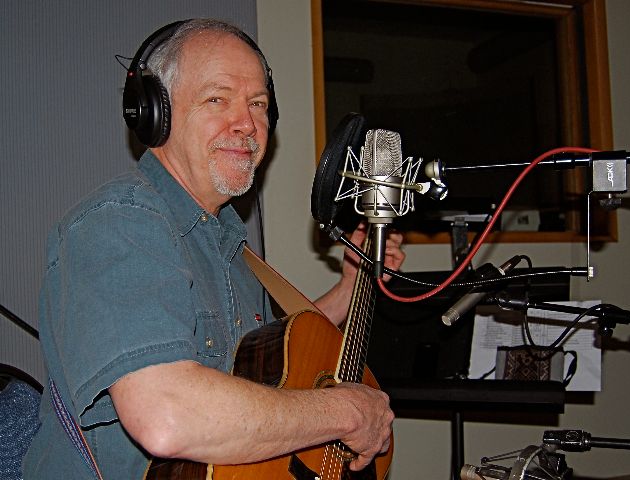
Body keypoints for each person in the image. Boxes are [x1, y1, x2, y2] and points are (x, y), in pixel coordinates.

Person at [23, 18, 405, 479]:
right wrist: (346, 412)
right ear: (156, 113)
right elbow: (166, 416)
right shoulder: (119, 224)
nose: (246, 124)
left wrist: (349, 288)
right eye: (217, 99)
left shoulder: (225, 242)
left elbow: (272, 371)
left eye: (258, 104)